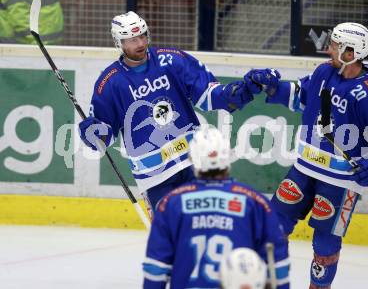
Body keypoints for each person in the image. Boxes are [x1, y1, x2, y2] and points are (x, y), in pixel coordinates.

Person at [245, 22, 368, 288]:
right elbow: (300, 97)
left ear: (351, 53)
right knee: (273, 226)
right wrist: (271, 86)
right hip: (304, 169)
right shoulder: (325, 72)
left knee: (325, 244)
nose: (329, 49)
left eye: (335, 45)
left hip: (340, 180)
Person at [78, 11, 259, 215]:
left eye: (142, 36)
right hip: (155, 177)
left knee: (208, 224)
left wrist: (238, 91)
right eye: (131, 40)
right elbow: (105, 135)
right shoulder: (110, 82)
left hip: (195, 163)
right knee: (171, 238)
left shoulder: (171, 60)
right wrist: (93, 133)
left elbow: (209, 95)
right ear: (118, 43)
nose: (139, 43)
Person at [142, 126, 290, 289]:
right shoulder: (256, 202)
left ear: (193, 159)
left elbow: (155, 269)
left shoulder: (170, 203)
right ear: (228, 157)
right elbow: (278, 266)